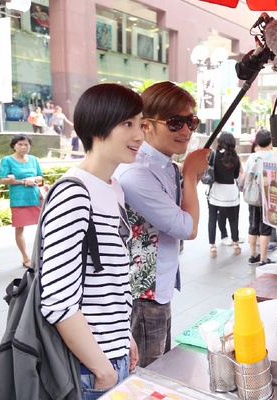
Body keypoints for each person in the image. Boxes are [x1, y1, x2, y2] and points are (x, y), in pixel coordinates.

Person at [39, 83, 144, 398]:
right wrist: (101, 368)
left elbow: (107, 280)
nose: (139, 135)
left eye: (141, 124)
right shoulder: (73, 193)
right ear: (98, 126)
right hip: (88, 367)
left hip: (114, 354)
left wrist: (124, 336)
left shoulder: (113, 187)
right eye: (128, 124)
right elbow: (57, 300)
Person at [115, 81, 210, 368]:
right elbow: (187, 228)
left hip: (159, 287)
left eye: (190, 121)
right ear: (146, 126)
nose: (185, 131)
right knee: (147, 373)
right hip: (142, 294)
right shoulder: (137, 174)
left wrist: (186, 175)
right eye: (175, 122)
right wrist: (191, 176)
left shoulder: (164, 164)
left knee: (161, 367)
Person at [0, 134, 43, 268]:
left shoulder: (34, 159)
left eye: (26, 144)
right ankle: (25, 257)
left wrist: (34, 179)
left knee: (41, 227)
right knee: (19, 228)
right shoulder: (7, 160)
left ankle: (42, 254)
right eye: (20, 144)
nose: (23, 147)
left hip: (35, 197)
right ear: (14, 146)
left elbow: (40, 176)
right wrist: (22, 181)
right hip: (19, 198)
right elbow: (2, 179)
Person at [244, 128, 277, 265]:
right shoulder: (274, 158)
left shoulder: (252, 157)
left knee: (253, 225)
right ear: (271, 141)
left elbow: (245, 175)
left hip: (253, 196)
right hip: (268, 198)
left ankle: (253, 255)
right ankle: (264, 259)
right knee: (265, 228)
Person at [207, 132, 242, 258]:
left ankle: (212, 247)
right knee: (233, 218)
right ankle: (236, 244)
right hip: (231, 192)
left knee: (212, 218)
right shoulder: (235, 157)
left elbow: (209, 171)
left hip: (216, 190)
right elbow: (236, 176)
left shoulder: (214, 155)